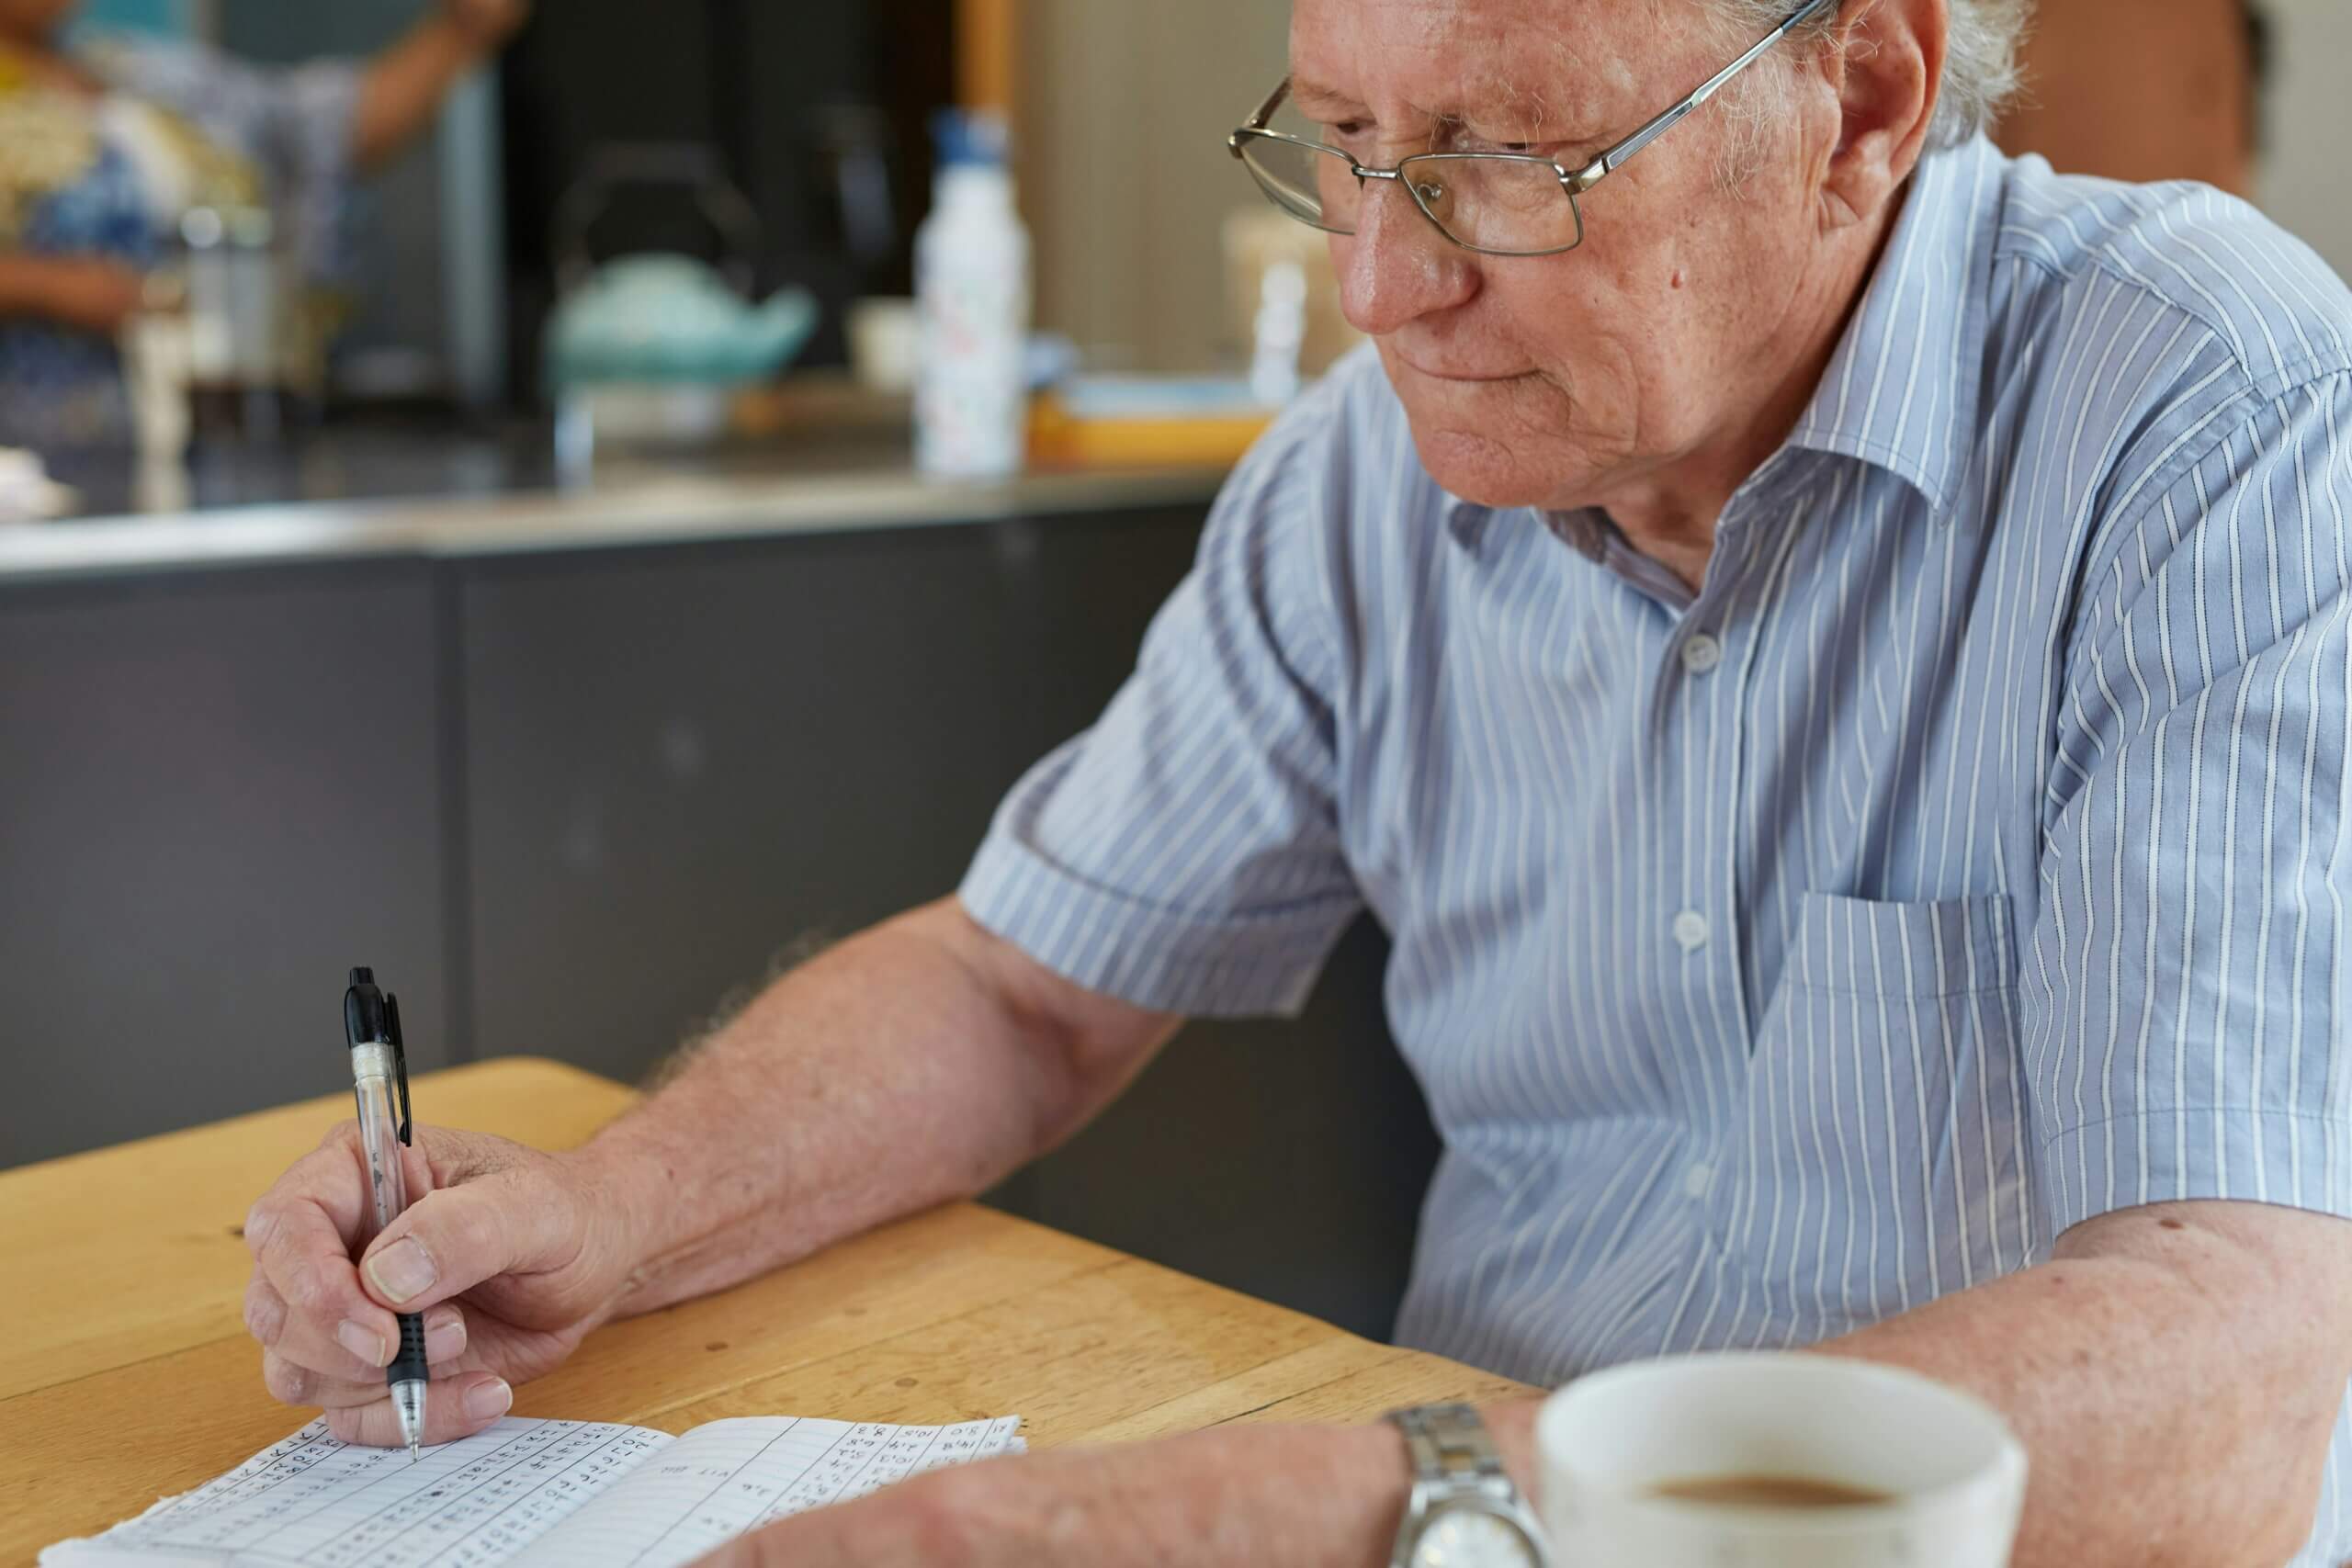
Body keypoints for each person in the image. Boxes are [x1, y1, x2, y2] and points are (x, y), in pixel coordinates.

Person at [242, 0, 2352, 1562]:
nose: (1380, 283)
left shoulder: (2197, 406)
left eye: (1502, 160)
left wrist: (1330, 1500)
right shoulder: (1370, 472)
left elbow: (2229, 1355)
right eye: (1343, 137)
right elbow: (1018, 983)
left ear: (1858, 100)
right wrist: (611, 1210)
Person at [0, 0, 528, 455]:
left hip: (212, 433)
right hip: (39, 459)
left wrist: (463, 30)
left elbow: (320, 137)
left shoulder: (136, 75)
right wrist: (49, 285)